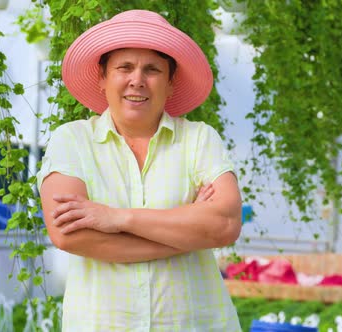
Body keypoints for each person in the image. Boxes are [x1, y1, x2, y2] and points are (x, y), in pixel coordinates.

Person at [37, 9, 243, 331]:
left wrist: (117, 218)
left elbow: (226, 223)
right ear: (103, 78)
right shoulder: (72, 139)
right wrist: (187, 232)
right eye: (124, 68)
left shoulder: (199, 138)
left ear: (171, 83)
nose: (137, 80)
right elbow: (68, 233)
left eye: (152, 69)